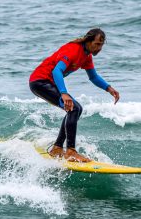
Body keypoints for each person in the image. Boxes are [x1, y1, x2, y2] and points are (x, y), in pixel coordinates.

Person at [29, 28, 120, 162]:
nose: (99, 48)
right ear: (89, 41)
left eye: (101, 45)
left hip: (46, 83)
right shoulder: (73, 50)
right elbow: (57, 71)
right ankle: (70, 151)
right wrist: (64, 93)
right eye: (97, 44)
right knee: (74, 108)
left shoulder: (86, 56)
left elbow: (93, 77)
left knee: (76, 109)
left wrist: (109, 88)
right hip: (40, 81)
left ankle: (57, 149)